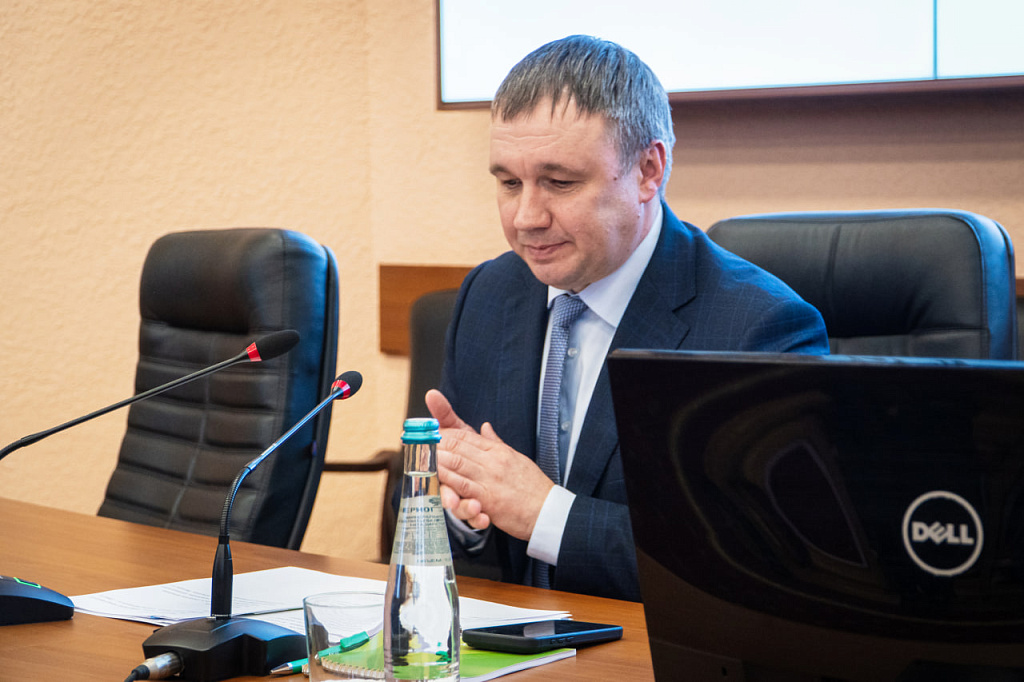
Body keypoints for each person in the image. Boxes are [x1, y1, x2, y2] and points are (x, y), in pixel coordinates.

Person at [424, 35, 828, 601]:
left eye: (559, 182)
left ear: (647, 170)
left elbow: (764, 561)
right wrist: (460, 507)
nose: (526, 217)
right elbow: (435, 509)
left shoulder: (756, 327)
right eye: (509, 183)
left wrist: (545, 515)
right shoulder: (489, 294)